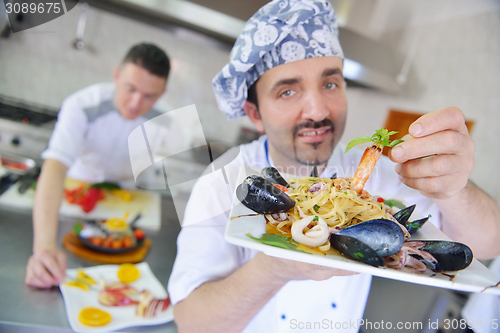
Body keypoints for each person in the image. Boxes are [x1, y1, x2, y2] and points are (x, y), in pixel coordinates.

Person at [168, 1, 500, 332]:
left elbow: (488, 244)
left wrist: (455, 189)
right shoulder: (220, 184)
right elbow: (191, 323)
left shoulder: (382, 174)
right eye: (287, 91)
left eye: (330, 84)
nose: (316, 109)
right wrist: (274, 269)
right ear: (254, 114)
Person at [25, 43, 179, 288]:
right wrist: (44, 247)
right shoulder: (82, 105)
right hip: (77, 195)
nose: (135, 103)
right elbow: (55, 167)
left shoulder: (169, 120)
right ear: (116, 76)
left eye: (149, 96)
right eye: (130, 89)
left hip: (129, 202)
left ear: (161, 93)